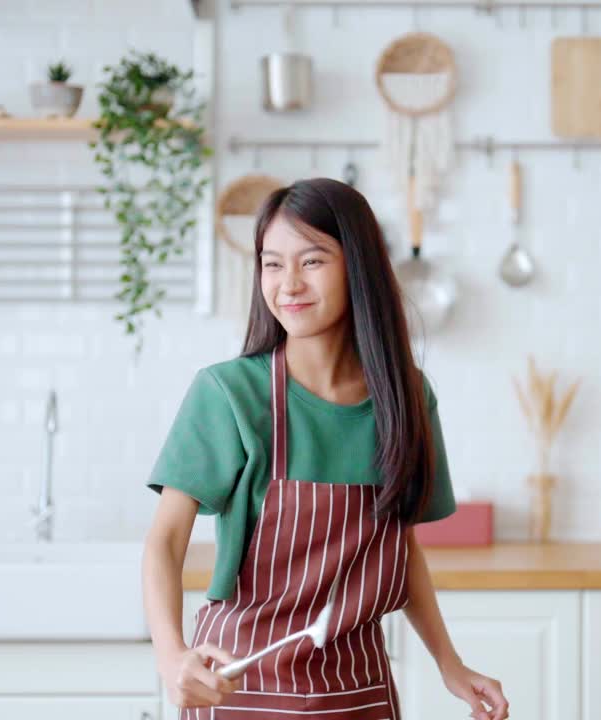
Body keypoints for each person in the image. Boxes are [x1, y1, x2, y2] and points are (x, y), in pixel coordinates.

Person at [141, 178, 510, 720]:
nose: (288, 283)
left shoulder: (405, 398)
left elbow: (399, 550)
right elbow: (165, 541)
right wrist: (172, 657)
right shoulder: (229, 394)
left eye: (312, 261)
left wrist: (449, 664)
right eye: (271, 263)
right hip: (241, 687)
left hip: (357, 691)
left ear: (356, 266)